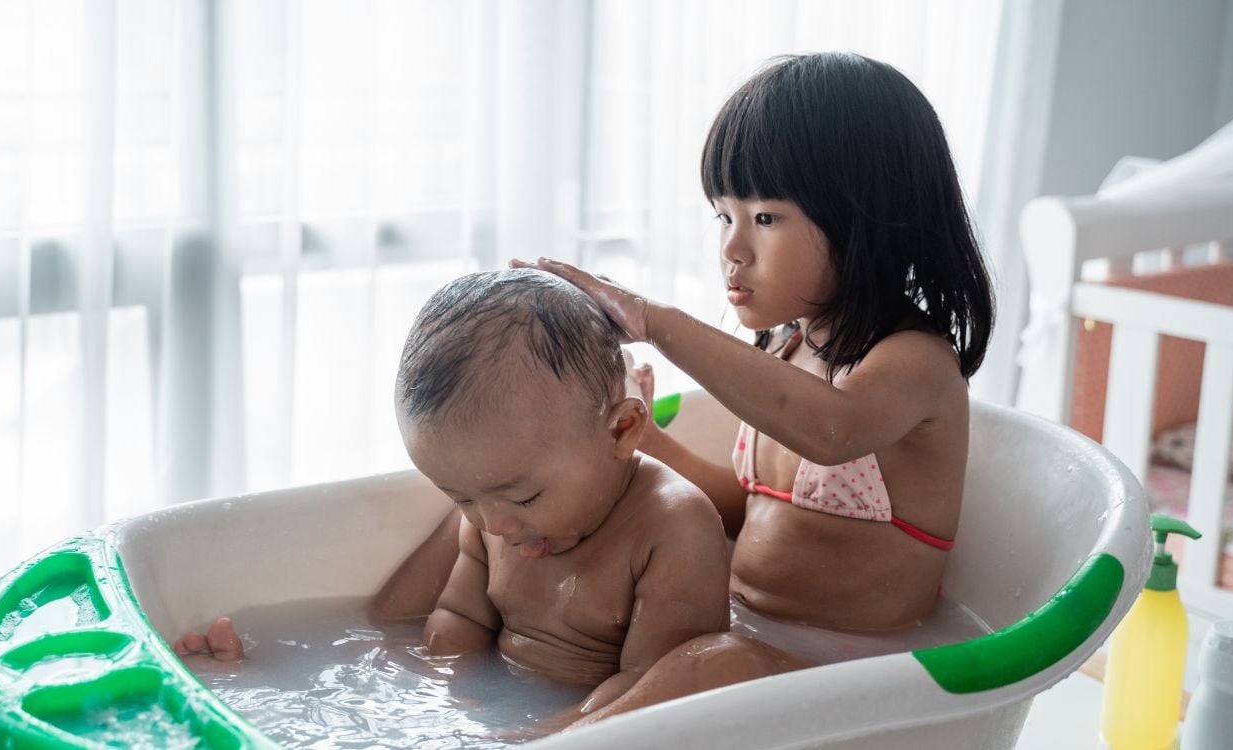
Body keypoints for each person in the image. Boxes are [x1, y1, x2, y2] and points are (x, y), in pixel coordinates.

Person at [383, 51, 997, 725]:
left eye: (765, 218)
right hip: (746, 632)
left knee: (713, 666)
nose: (734, 247)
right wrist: (648, 442)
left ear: (871, 217)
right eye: (723, 216)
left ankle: (547, 742)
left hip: (857, 667)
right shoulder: (788, 352)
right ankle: (401, 664)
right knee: (509, 528)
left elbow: (832, 431)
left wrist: (655, 322)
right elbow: (745, 513)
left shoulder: (917, 364)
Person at [176, 269, 731, 729]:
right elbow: (457, 618)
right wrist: (425, 706)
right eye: (459, 497)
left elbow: (656, 697)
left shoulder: (673, 527)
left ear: (622, 429)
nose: (492, 523)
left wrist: (537, 736)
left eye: (524, 497)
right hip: (498, 714)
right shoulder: (495, 515)